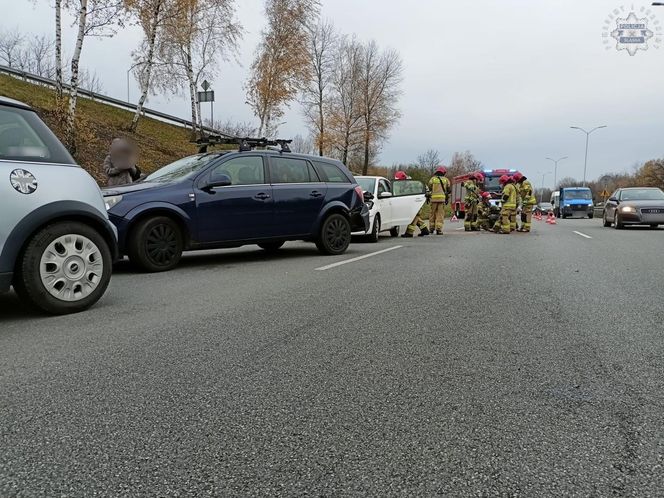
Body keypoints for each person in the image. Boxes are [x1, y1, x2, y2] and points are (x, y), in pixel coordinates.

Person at [396, 171, 430, 238]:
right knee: (415, 216)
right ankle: (424, 229)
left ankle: (409, 232)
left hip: (418, 202)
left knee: (414, 216)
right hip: (413, 202)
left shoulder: (412, 183)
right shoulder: (405, 183)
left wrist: (427, 194)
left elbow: (424, 187)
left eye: (399, 180)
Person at [427, 166, 451, 234]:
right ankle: (438, 229)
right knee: (440, 214)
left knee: (432, 214)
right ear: (443, 172)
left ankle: (431, 229)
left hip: (433, 200)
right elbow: (449, 190)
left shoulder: (432, 179)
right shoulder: (446, 180)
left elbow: (429, 188)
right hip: (441, 200)